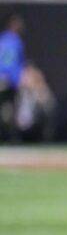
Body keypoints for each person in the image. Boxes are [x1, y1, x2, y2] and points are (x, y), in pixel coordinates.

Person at [0, 13, 25, 143]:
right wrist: (16, 81)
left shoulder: (2, 39)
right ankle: (10, 138)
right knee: (11, 110)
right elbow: (14, 64)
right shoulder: (15, 41)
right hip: (9, 81)